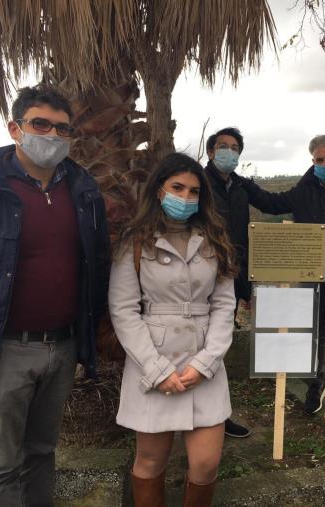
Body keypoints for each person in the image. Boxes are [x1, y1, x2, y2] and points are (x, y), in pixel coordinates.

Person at [0, 85, 110, 505]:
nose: (51, 135)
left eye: (62, 128)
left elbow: (96, 266)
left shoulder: (84, 192)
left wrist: (89, 341)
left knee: (42, 453)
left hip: (62, 346)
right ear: (15, 128)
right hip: (3, 350)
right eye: (40, 124)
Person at [109, 152, 237, 506]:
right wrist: (157, 370)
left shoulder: (215, 238)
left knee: (206, 463)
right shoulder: (135, 241)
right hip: (153, 358)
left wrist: (206, 362)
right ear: (159, 190)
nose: (185, 197)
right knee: (150, 461)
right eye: (177, 187)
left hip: (203, 359)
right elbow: (123, 310)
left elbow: (225, 304)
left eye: (193, 191)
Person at [237, 134, 325, 434]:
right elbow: (271, 203)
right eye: (320, 160)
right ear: (312, 162)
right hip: (310, 279)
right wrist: (243, 183)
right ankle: (315, 388)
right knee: (313, 340)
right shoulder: (304, 191)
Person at [203, 127, 251, 438]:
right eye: (223, 146)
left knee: (220, 350)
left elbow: (278, 201)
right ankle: (200, 415)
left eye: (234, 148)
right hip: (201, 278)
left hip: (231, 279)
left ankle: (218, 416)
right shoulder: (199, 184)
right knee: (201, 347)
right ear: (210, 152)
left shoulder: (241, 186)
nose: (229, 152)